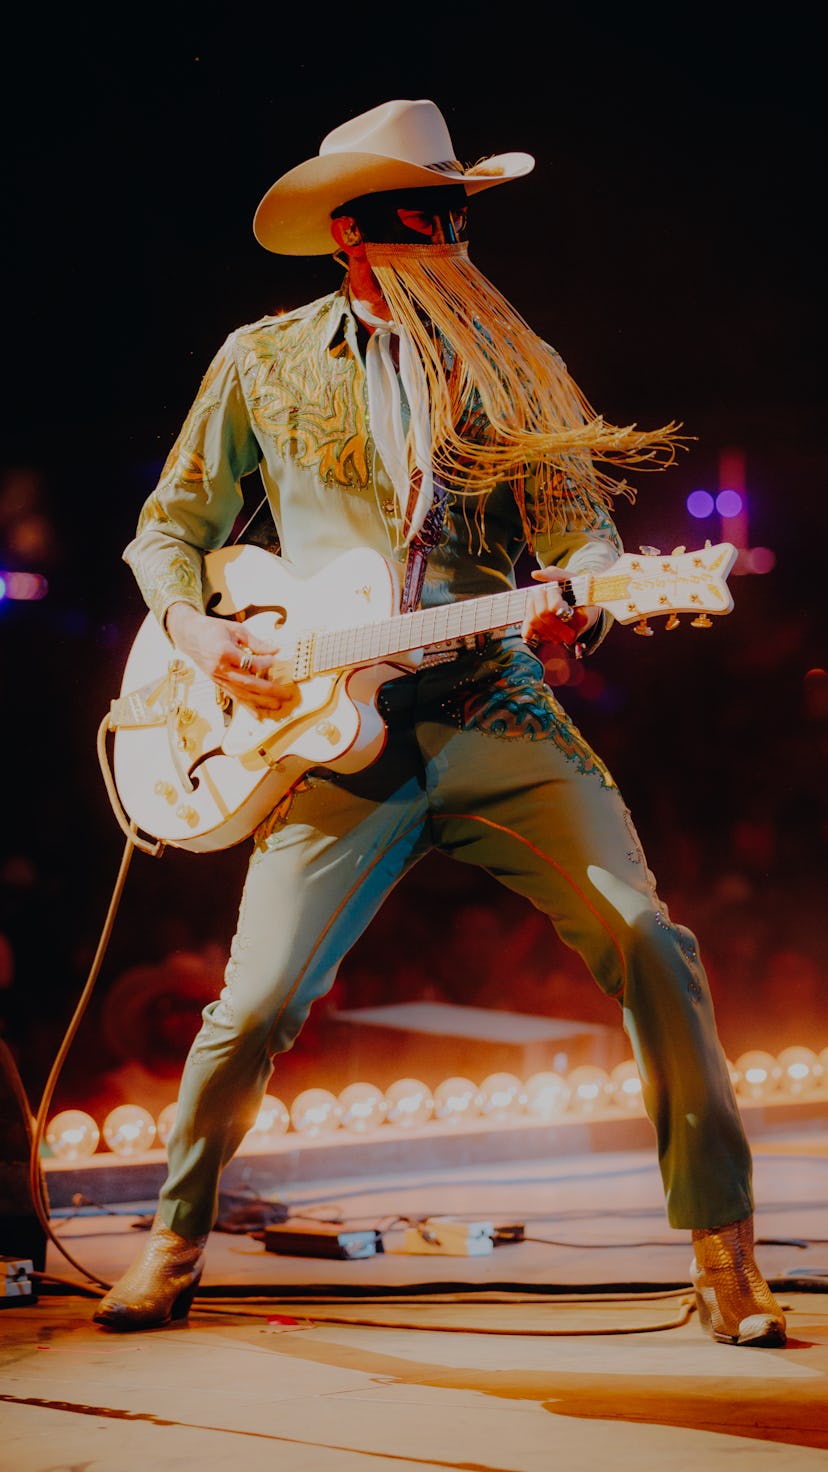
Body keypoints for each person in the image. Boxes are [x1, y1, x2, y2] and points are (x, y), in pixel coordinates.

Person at [94, 99, 785, 1346]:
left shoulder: (516, 362)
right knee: (253, 1005)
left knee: (647, 937)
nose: (453, 245)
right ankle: (173, 1240)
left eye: (459, 220)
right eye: (426, 222)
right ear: (354, 236)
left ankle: (723, 1251)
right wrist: (199, 635)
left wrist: (587, 605)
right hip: (322, 726)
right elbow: (169, 528)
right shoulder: (263, 359)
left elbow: (582, 538)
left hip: (490, 699)